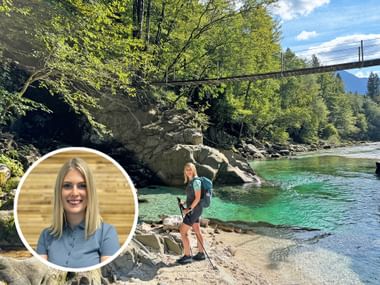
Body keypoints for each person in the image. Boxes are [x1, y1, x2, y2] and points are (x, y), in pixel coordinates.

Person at [36, 157, 120, 268]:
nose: (74, 193)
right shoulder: (46, 235)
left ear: (90, 191)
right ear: (59, 191)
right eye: (67, 186)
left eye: (82, 186)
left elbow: (109, 277)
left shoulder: (107, 233)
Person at [177, 162, 206, 264]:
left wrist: (188, 209)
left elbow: (197, 198)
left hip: (194, 211)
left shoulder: (196, 182)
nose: (188, 171)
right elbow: (192, 197)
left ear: (194, 170)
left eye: (190, 169)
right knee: (197, 230)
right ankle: (201, 254)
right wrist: (184, 202)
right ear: (184, 171)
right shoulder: (191, 181)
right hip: (197, 210)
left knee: (182, 231)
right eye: (186, 169)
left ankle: (187, 256)